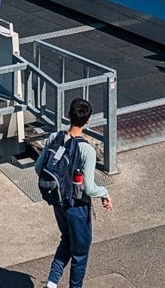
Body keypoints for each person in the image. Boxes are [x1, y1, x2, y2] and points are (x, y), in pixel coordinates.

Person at [34, 97, 111, 288]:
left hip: (58, 202)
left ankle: (51, 284)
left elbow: (38, 168)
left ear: (68, 115)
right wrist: (105, 193)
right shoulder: (87, 150)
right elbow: (90, 188)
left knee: (66, 240)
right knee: (80, 252)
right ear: (88, 120)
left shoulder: (54, 138)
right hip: (78, 207)